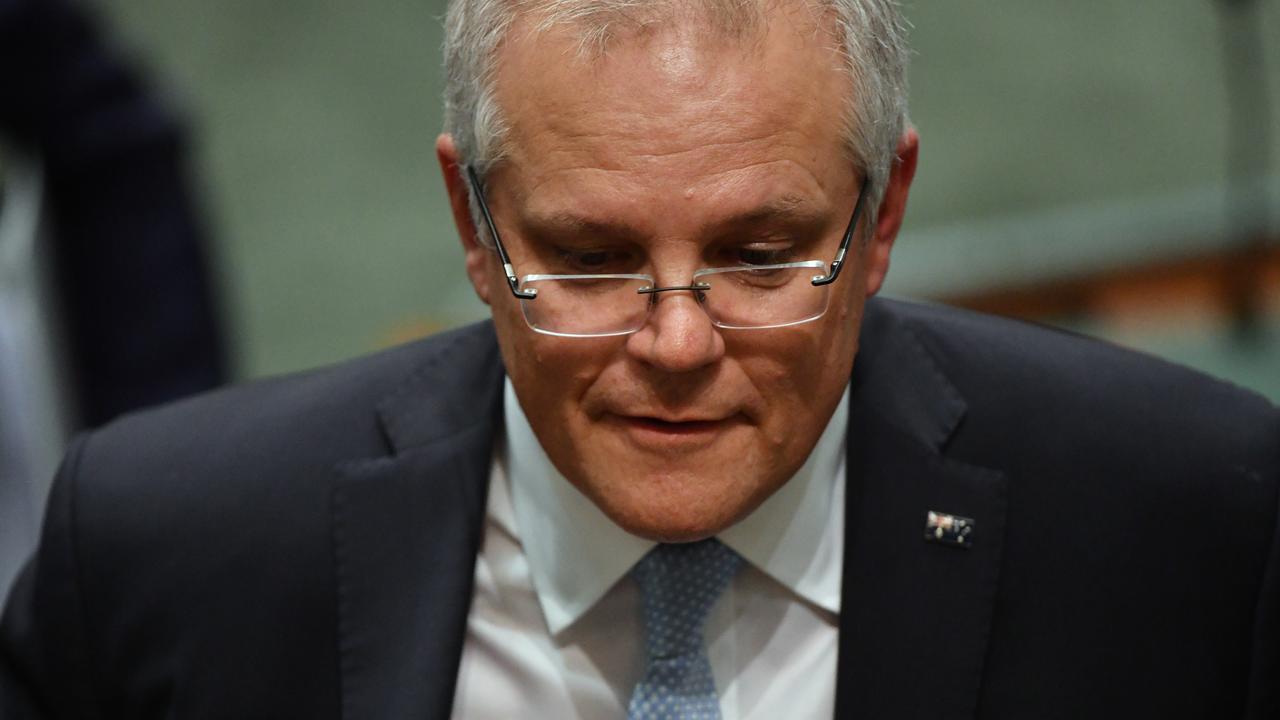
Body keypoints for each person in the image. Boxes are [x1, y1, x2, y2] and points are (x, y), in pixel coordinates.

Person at [2, 0, 1277, 717]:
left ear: (881, 214)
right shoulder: (154, 561)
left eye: (763, 256)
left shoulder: (1189, 529)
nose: (675, 345)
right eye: (593, 263)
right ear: (474, 225)